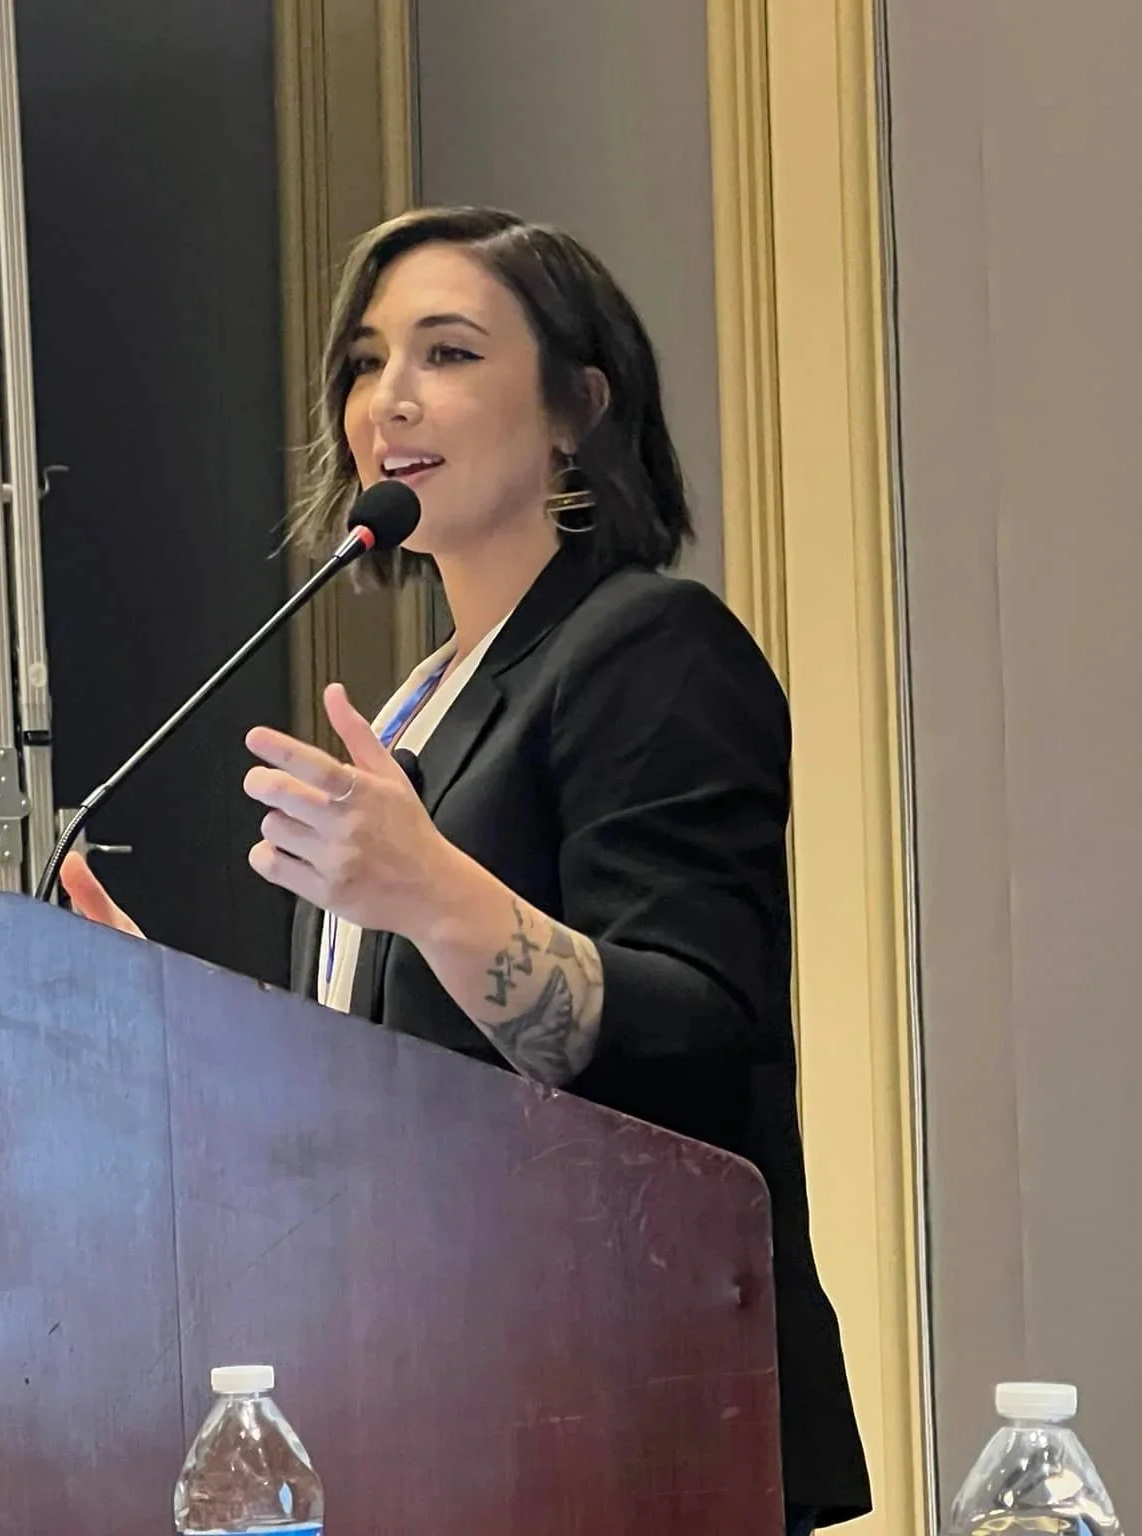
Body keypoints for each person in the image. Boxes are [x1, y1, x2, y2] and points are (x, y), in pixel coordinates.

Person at [62, 205, 871, 1532]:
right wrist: (156, 1016)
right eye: (365, 365)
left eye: (447, 353)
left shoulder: (648, 647)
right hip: (434, 1412)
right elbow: (367, 1096)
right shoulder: (415, 713)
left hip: (636, 1423)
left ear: (577, 409)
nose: (390, 401)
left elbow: (697, 1037)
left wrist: (433, 891)